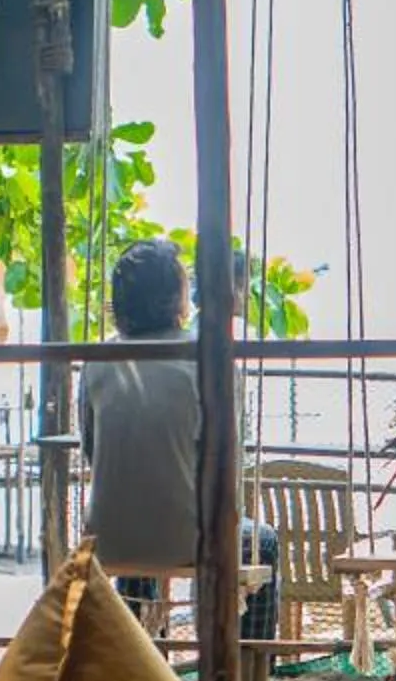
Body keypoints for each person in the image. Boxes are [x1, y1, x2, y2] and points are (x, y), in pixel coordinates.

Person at [79, 239, 277, 640]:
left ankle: (140, 654)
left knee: (139, 528)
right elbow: (224, 461)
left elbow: (92, 450)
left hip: (108, 537)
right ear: (177, 297)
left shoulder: (97, 360)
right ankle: (249, 669)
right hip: (188, 539)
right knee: (264, 542)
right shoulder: (207, 358)